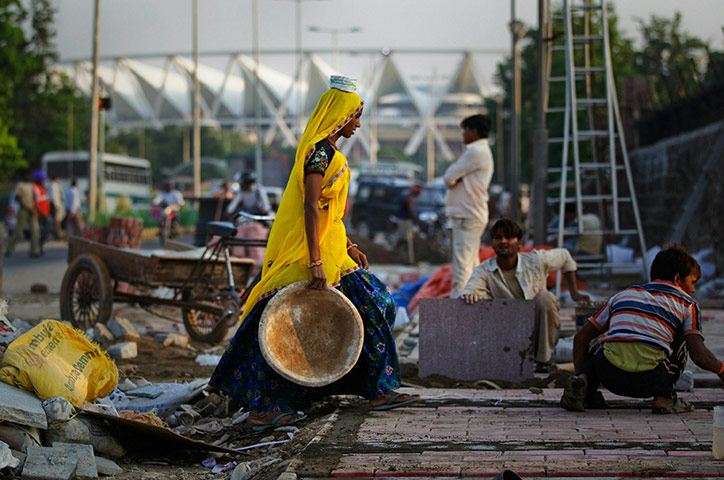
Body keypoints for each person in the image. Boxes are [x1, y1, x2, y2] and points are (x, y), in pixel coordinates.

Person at [210, 75, 418, 429]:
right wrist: (316, 261)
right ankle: (271, 406)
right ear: (340, 117)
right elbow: (309, 207)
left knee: (376, 305)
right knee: (282, 323)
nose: (357, 124)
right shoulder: (319, 153)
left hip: (336, 251)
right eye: (355, 116)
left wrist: (350, 245)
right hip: (317, 255)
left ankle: (375, 388)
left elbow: (329, 213)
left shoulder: (332, 154)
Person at [561, 245, 724, 413]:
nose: (694, 289)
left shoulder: (623, 295)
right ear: (677, 280)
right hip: (652, 379)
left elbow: (580, 338)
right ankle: (664, 398)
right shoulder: (688, 304)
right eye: (692, 282)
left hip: (609, 374)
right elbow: (699, 355)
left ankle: (583, 384)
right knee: (685, 338)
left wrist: (583, 373)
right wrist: (721, 368)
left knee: (600, 346)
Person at [459, 219, 590, 373]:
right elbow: (470, 289)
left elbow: (565, 257)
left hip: (537, 331)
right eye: (498, 237)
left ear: (519, 243)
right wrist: (469, 295)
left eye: (509, 237)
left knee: (545, 298)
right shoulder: (484, 270)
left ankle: (544, 361)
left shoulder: (536, 260)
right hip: (508, 334)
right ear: (492, 243)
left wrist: (574, 293)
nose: (503, 241)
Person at [443, 114, 494, 299]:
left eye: (465, 129)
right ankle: (474, 302)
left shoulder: (475, 152)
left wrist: (456, 180)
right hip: (472, 213)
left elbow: (449, 177)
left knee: (462, 265)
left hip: (467, 214)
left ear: (474, 131)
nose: (463, 134)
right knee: (471, 263)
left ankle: (459, 305)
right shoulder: (481, 151)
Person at [6, 169, 41, 258]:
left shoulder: (31, 185)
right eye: (26, 175)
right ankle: (10, 248)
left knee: (35, 231)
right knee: (19, 232)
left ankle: (35, 250)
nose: (28, 177)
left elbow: (35, 197)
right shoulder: (20, 185)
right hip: (23, 210)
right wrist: (26, 207)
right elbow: (19, 198)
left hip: (32, 210)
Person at [394, 183, 422, 264]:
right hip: (405, 221)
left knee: (404, 239)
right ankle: (409, 260)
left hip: (403, 220)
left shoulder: (406, 195)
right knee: (407, 240)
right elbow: (411, 210)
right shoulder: (409, 197)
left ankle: (400, 256)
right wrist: (419, 220)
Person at [32, 170, 51, 254]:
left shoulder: (42, 188)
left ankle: (40, 245)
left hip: (45, 214)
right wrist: (41, 212)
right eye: (42, 179)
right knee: (38, 232)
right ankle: (37, 248)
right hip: (39, 214)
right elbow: (34, 202)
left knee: (45, 230)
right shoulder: (34, 188)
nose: (43, 181)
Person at [49, 176, 66, 240]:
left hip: (55, 205)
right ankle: (58, 235)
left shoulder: (53, 186)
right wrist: (56, 206)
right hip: (55, 205)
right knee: (56, 221)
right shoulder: (53, 186)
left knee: (56, 221)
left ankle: (57, 234)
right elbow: (54, 197)